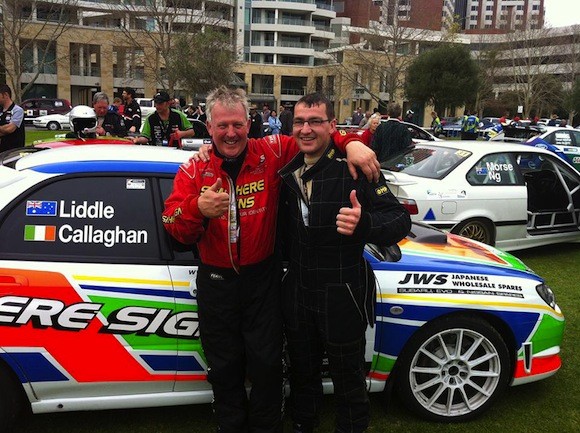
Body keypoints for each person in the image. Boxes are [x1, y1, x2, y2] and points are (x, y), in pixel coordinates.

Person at [162, 86, 379, 433]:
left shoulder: (273, 150)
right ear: (209, 125)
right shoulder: (193, 169)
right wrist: (196, 209)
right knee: (224, 366)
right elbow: (172, 227)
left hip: (262, 281)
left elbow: (316, 137)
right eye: (222, 126)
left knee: (266, 365)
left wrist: (350, 142)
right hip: (216, 283)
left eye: (237, 125)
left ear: (249, 124)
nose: (230, 134)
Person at [278, 93, 411, 433]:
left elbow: (399, 220)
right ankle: (302, 424)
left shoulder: (354, 167)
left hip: (342, 291)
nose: (306, 129)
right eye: (299, 122)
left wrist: (364, 224)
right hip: (297, 290)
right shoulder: (286, 164)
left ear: (332, 125)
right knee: (302, 371)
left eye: (316, 122)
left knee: (347, 374)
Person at [0, 84, 25, 150]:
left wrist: (4, 130)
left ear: (5, 95)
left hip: (14, 152)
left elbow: (10, 129)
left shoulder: (17, 110)